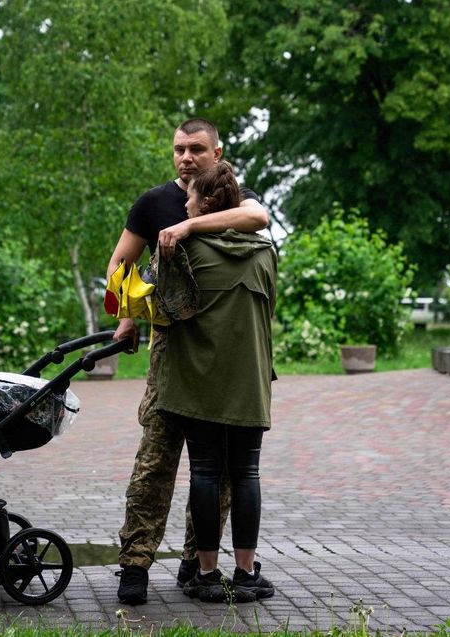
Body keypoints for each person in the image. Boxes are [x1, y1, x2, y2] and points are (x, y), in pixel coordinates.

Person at [107, 118, 268, 605]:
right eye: (179, 149)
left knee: (215, 469)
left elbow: (257, 219)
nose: (186, 157)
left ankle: (197, 561)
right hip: (169, 349)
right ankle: (135, 563)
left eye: (196, 149)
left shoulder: (234, 198)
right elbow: (119, 264)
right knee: (155, 460)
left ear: (217, 153)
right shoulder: (152, 202)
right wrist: (128, 314)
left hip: (224, 355)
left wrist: (189, 223)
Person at [156, 161, 276, 603]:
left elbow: (162, 311)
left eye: (190, 197)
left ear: (206, 203)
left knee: (205, 471)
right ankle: (246, 572)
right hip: (250, 381)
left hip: (197, 381)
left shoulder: (183, 251)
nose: (184, 204)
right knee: (246, 473)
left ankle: (206, 574)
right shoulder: (266, 253)